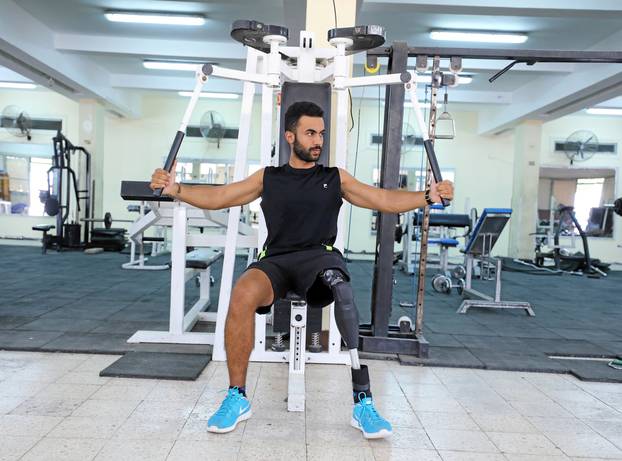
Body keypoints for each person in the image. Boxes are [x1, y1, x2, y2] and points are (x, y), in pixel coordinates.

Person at [150, 101, 454, 439]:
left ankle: (362, 401)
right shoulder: (269, 177)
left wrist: (427, 196)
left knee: (341, 288)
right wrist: (176, 190)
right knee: (241, 294)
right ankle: (237, 397)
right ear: (290, 135)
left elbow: (382, 200)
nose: (318, 141)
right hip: (276, 261)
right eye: (310, 133)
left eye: (321, 134)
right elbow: (221, 196)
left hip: (320, 258)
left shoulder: (334, 178)